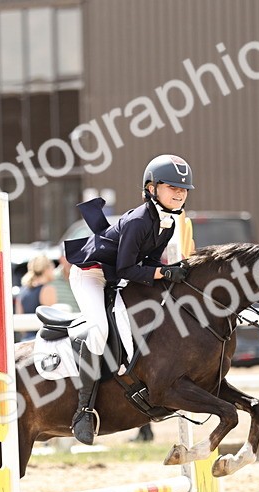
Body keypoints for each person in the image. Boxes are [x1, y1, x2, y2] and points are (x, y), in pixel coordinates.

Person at [62, 154, 195, 444]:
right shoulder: (138, 221)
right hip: (91, 275)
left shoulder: (168, 223)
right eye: (171, 187)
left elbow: (144, 262)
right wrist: (162, 272)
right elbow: (127, 268)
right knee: (98, 332)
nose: (180, 192)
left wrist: (167, 273)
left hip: (117, 275)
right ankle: (83, 410)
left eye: (183, 188)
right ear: (151, 189)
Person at [15, 254, 58, 340]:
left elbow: (21, 325)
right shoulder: (48, 289)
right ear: (46, 270)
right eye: (53, 269)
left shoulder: (22, 291)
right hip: (43, 341)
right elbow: (53, 321)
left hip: (26, 340)